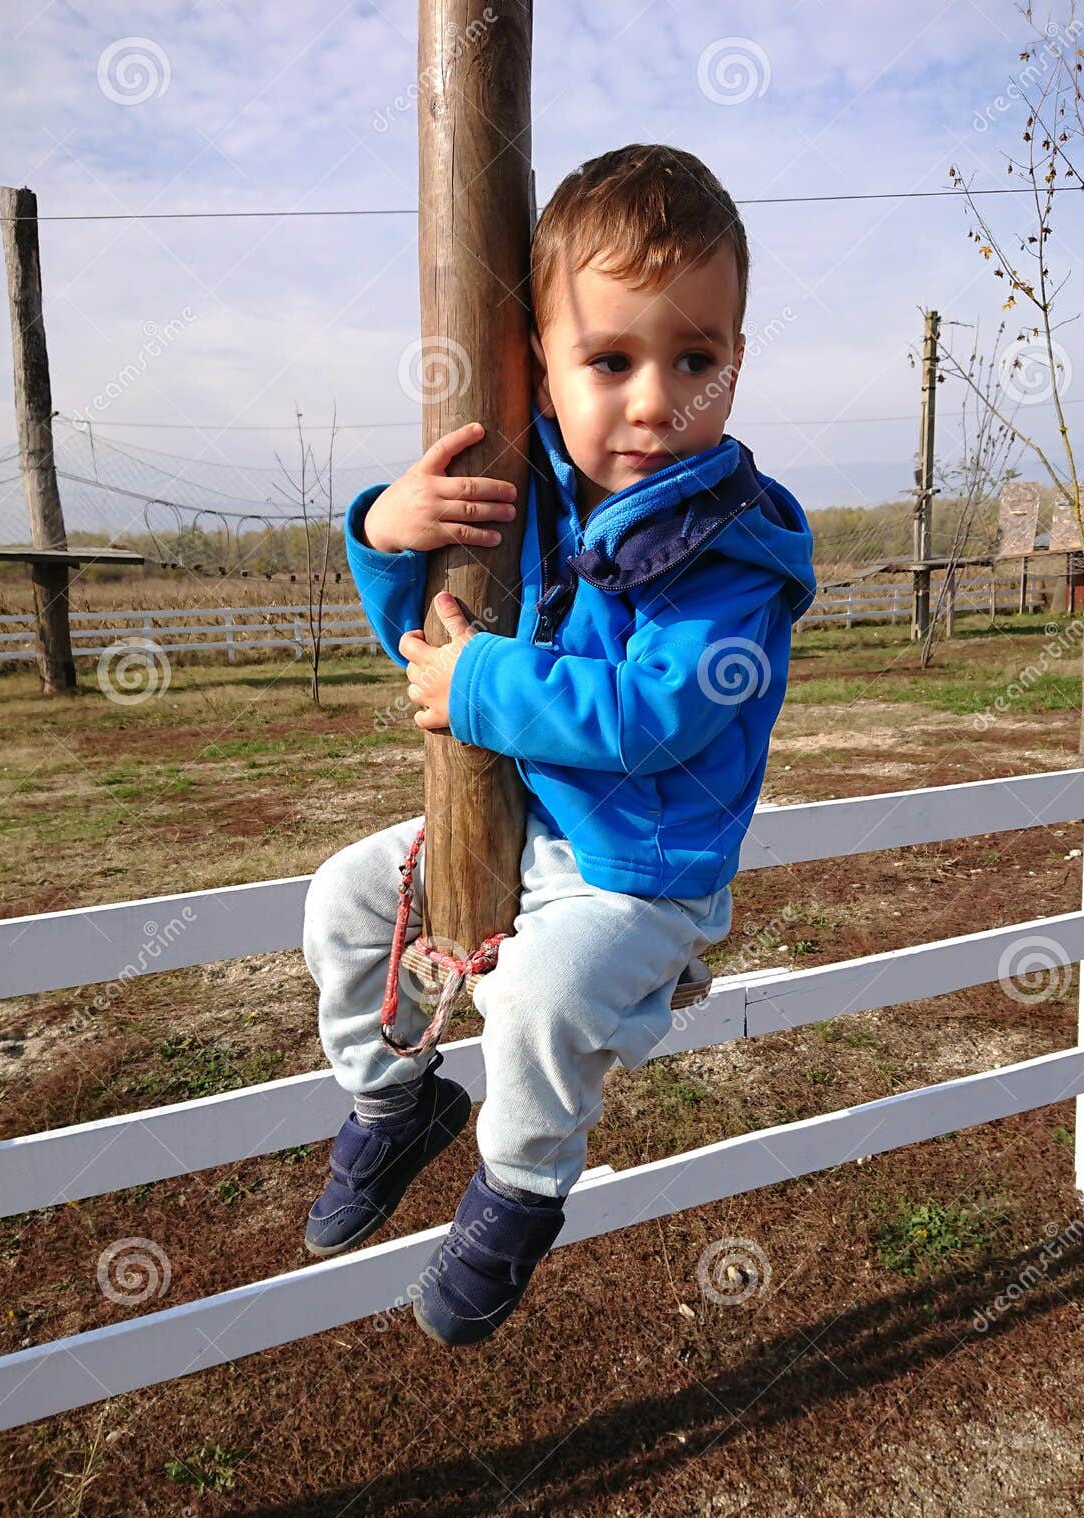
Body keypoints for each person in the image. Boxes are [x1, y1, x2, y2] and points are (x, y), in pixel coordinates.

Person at [301, 142, 816, 1347]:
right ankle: (391, 1098)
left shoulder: (723, 551)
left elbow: (653, 717)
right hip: (524, 828)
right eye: (611, 359)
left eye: (697, 359)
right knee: (345, 899)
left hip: (638, 874)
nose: (656, 399)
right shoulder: (534, 492)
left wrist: (482, 679)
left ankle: (519, 1194)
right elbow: (434, 652)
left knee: (532, 995)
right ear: (541, 363)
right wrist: (387, 530)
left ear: (736, 361)